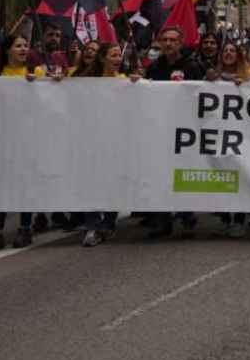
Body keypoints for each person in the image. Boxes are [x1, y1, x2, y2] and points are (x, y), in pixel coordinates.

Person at [0, 35, 47, 251]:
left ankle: (25, 228)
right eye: (18, 45)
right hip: (2, 139)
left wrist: (49, 82)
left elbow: (50, 98)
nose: (23, 49)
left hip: (28, 138)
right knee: (1, 185)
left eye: (26, 45)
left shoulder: (36, 73)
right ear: (7, 50)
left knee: (24, 183)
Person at [138, 25, 204, 240]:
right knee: (160, 173)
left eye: (172, 40)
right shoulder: (155, 67)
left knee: (182, 173)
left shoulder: (193, 66)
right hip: (160, 128)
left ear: (180, 43)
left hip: (186, 130)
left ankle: (186, 215)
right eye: (164, 40)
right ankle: (161, 220)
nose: (168, 44)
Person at [78, 42, 128, 246]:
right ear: (102, 58)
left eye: (119, 55)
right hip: (91, 139)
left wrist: (138, 83)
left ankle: (108, 222)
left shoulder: (125, 80)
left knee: (112, 180)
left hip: (116, 139)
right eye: (114, 55)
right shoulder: (85, 81)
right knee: (90, 181)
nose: (118, 59)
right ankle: (92, 224)